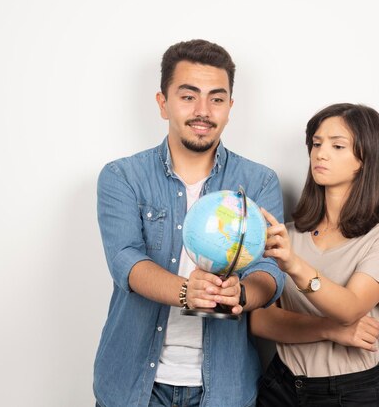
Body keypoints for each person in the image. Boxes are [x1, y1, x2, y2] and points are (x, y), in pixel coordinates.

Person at [93, 39, 287, 407]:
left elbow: (270, 270)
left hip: (226, 390)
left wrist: (244, 295)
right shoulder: (122, 176)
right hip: (133, 387)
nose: (203, 111)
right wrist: (186, 292)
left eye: (216, 98)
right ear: (162, 103)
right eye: (188, 96)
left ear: (230, 107)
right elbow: (124, 260)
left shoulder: (259, 181)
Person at [251, 103, 379, 406]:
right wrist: (330, 330)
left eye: (337, 146)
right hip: (280, 386)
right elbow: (261, 323)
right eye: (316, 144)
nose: (320, 154)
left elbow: (350, 308)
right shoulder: (289, 234)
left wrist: (294, 264)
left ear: (366, 159)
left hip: (350, 393)